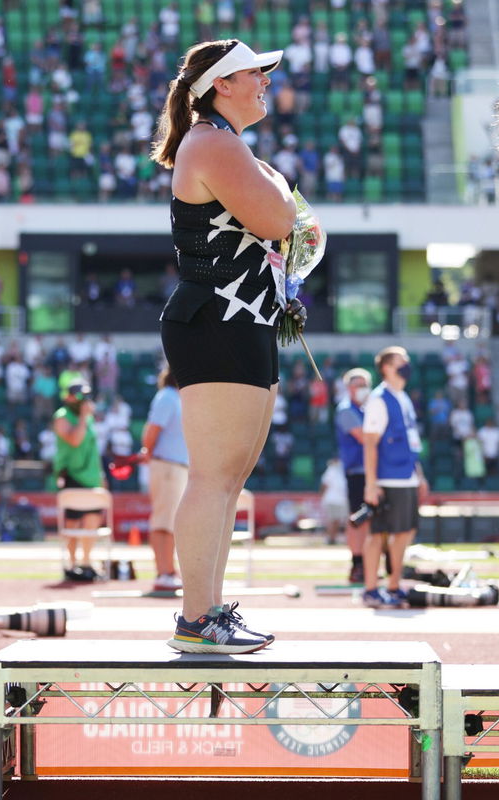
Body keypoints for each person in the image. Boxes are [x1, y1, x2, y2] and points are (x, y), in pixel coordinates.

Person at [152, 39, 301, 654]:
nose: (265, 80)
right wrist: (284, 194)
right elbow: (280, 221)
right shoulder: (214, 142)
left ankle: (209, 611)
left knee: (227, 478)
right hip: (219, 318)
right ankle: (197, 618)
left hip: (239, 318)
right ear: (221, 84)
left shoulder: (221, 142)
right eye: (253, 73)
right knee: (214, 477)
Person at [361, 347, 427, 608]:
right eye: (402, 361)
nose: (407, 365)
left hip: (406, 476)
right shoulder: (379, 399)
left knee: (405, 531)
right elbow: (369, 443)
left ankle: (393, 584)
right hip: (388, 478)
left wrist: (418, 474)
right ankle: (370, 589)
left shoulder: (403, 397)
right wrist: (370, 483)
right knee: (378, 534)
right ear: (387, 367)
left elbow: (411, 441)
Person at [139, 364, 187, 593]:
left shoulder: (175, 397)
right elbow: (151, 432)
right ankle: (164, 572)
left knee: (172, 522)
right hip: (167, 465)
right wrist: (148, 451)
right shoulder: (167, 397)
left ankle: (170, 570)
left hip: (175, 466)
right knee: (164, 521)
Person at [52, 381, 106, 580]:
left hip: (91, 476)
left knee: (92, 521)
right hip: (72, 474)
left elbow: (92, 449)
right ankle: (72, 563)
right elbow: (74, 439)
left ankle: (86, 562)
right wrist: (83, 417)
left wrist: (101, 475)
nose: (84, 400)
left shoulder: (89, 419)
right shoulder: (62, 417)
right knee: (72, 523)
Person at [336, 367, 372, 583]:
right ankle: (357, 563)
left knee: (371, 519)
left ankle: (369, 562)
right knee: (358, 519)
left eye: (365, 385)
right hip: (357, 472)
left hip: (372, 471)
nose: (362, 389)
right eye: (357, 385)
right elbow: (364, 437)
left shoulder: (368, 409)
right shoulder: (346, 410)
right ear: (349, 388)